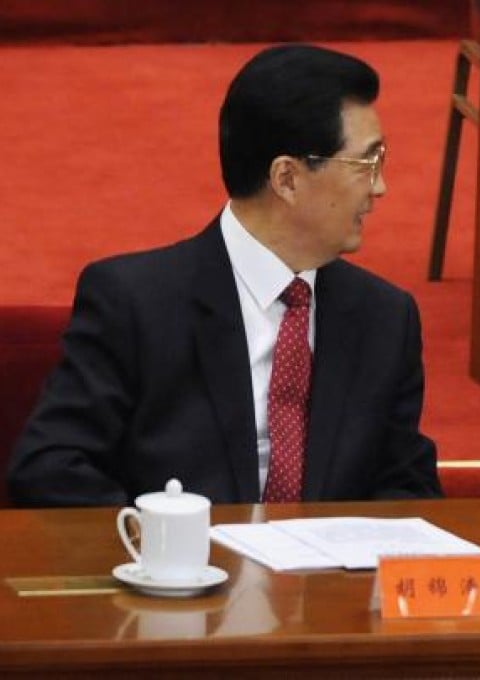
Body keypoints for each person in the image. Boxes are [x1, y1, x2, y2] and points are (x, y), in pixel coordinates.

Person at [8, 44, 441, 506]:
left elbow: (408, 489)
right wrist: (173, 547)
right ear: (287, 179)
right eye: (366, 164)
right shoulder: (135, 304)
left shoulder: (385, 319)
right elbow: (50, 467)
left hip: (327, 576)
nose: (380, 187)